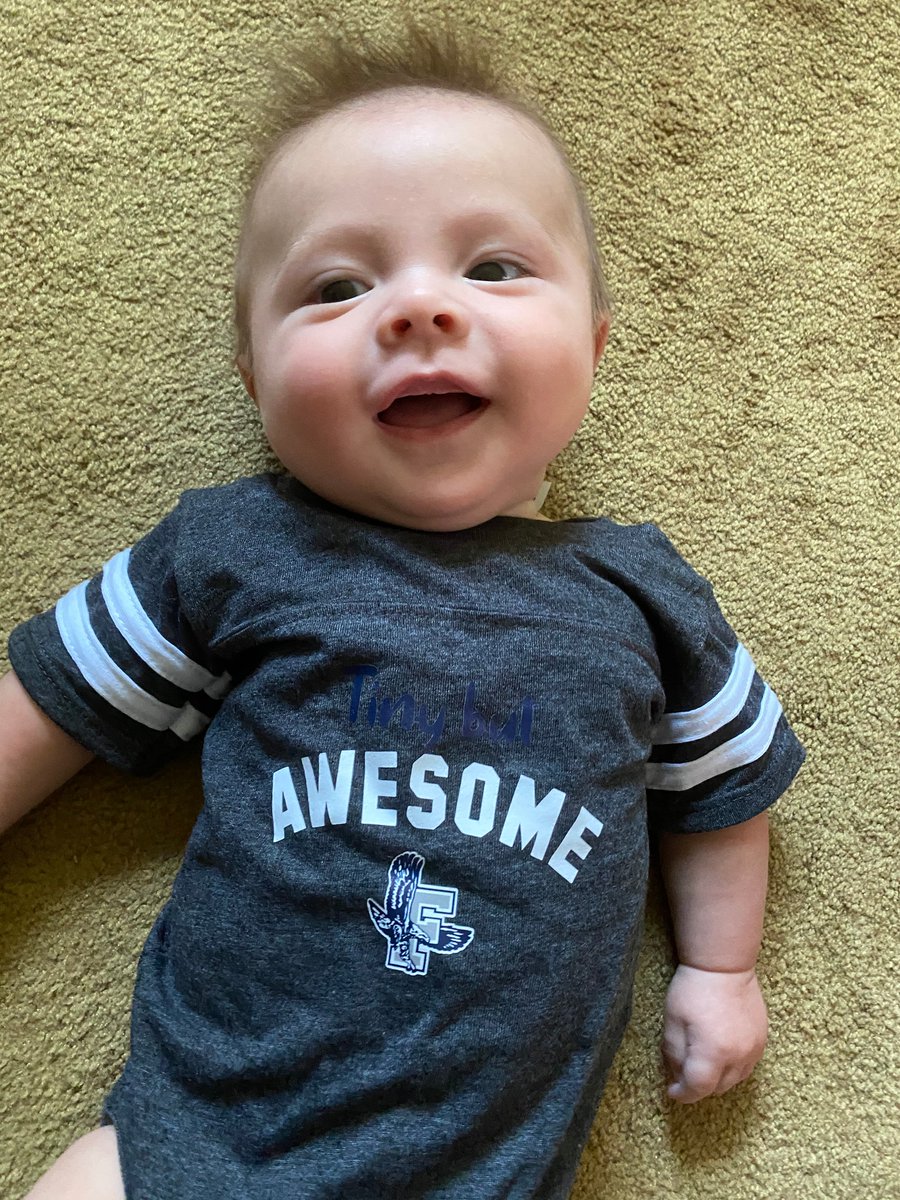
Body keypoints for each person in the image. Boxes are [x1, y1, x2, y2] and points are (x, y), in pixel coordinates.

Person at [3, 19, 806, 1200]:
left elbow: (724, 790)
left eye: (492, 267)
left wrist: (722, 968)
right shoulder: (236, 549)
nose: (419, 307)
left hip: (488, 1170)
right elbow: (44, 705)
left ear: (590, 343)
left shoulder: (642, 591)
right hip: (200, 1144)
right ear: (255, 377)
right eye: (338, 285)